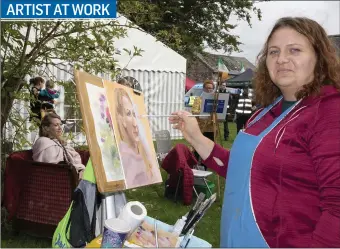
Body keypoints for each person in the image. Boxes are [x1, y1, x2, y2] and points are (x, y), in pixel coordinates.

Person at [169, 16, 340, 248]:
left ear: (319, 57)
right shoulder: (265, 112)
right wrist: (195, 137)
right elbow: (243, 170)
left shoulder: (329, 111)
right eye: (273, 52)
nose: (282, 59)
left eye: (295, 50)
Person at [114, 88, 160, 188]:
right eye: (128, 114)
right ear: (121, 119)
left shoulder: (139, 150)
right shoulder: (126, 157)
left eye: (134, 114)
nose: (136, 124)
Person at [32, 113, 85, 179]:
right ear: (46, 128)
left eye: (60, 125)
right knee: (93, 170)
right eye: (56, 125)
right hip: (58, 179)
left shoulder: (57, 142)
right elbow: (52, 167)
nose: (60, 128)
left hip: (69, 175)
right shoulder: (43, 141)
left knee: (94, 165)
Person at [191, 80, 215, 169]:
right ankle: (195, 164)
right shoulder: (198, 99)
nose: (209, 90)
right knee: (198, 147)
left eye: (211, 88)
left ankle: (205, 166)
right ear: (204, 89)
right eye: (207, 88)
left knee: (209, 148)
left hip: (211, 128)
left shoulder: (215, 100)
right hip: (201, 128)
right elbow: (194, 112)